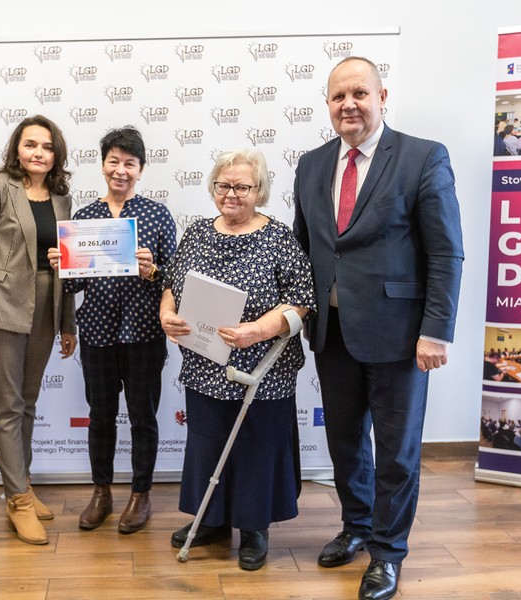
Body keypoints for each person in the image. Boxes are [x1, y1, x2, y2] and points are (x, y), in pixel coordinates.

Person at [293, 56, 463, 600]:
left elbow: (446, 251)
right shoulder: (311, 165)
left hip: (400, 335)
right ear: (327, 103)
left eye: (359, 93)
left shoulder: (423, 157)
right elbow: (305, 248)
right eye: (338, 96)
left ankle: (388, 553)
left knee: (396, 452)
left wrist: (436, 330)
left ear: (382, 97)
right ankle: (357, 526)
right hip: (333, 333)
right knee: (345, 443)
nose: (349, 104)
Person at [160, 149, 315, 571]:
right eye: (223, 185)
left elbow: (302, 301)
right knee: (207, 443)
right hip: (204, 364)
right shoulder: (196, 232)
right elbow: (171, 283)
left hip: (262, 370)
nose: (231, 193)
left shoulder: (278, 237)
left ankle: (253, 528)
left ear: (259, 190)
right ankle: (210, 521)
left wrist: (256, 331)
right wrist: (166, 313)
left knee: (255, 448)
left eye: (242, 187)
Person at [48, 126, 176, 535]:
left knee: (143, 417)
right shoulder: (84, 218)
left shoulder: (157, 215)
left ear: (141, 169)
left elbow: (174, 280)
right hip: (98, 332)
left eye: (130, 163)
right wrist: (62, 267)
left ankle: (141, 495)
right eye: (114, 161)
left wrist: (152, 270)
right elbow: (74, 287)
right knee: (100, 416)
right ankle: (101, 492)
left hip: (144, 333)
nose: (121, 170)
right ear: (103, 165)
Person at [0, 115, 77, 546]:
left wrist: (67, 323)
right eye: (30, 144)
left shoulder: (62, 198)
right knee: (7, 407)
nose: (38, 153)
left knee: (28, 403)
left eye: (47, 147)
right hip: (4, 307)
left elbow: (68, 265)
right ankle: (17, 500)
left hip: (47, 308)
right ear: (17, 149)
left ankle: (22, 484)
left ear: (56, 155)